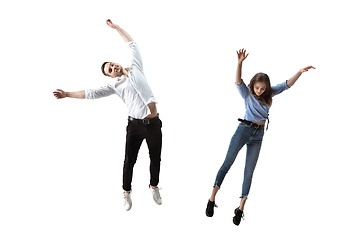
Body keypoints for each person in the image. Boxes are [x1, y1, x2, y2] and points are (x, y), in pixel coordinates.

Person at [53, 19, 163, 211]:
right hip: (135, 126)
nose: (113, 67)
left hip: (154, 124)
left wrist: (117, 29)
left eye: (112, 64)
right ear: (110, 76)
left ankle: (154, 187)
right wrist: (67, 94)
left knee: (156, 158)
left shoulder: (136, 67)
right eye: (110, 70)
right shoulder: (114, 85)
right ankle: (126, 192)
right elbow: (90, 93)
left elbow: (132, 44)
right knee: (130, 160)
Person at [205, 48, 314, 225]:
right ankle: (211, 199)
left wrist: (299, 72)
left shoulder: (269, 93)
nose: (259, 91)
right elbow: (238, 80)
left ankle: (240, 209)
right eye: (257, 87)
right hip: (243, 130)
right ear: (253, 85)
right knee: (227, 163)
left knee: (249, 173)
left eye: (262, 89)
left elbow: (287, 84)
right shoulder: (247, 93)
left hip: (258, 135)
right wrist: (239, 63)